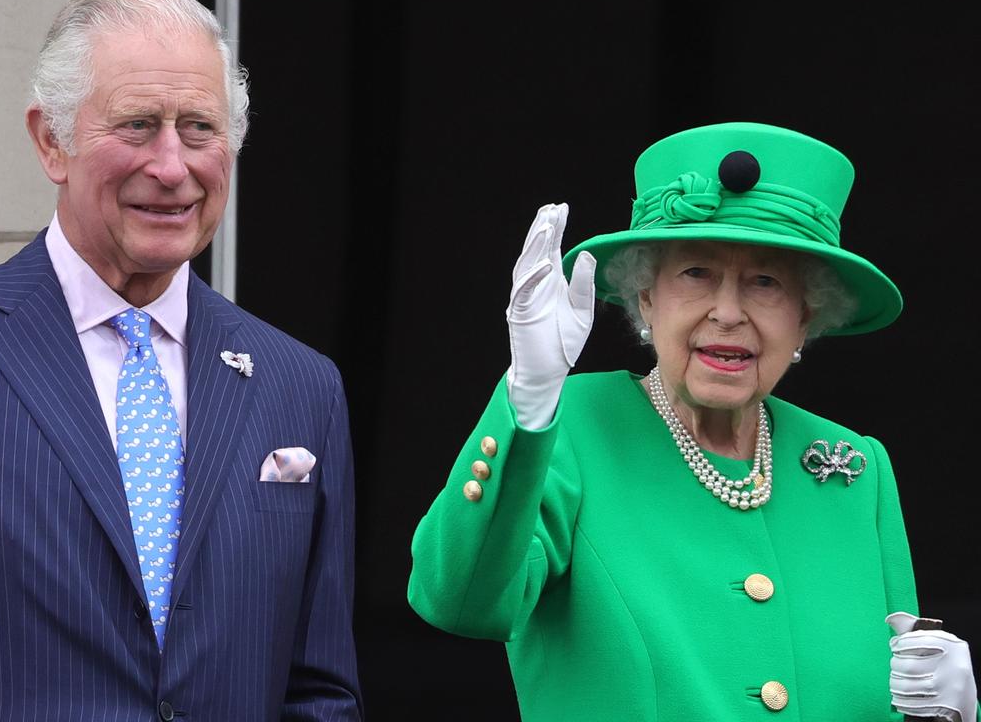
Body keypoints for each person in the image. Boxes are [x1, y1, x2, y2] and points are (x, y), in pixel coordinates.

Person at [407, 122, 977, 721]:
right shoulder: (567, 427)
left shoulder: (853, 467)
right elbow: (459, 601)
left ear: (806, 318)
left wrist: (952, 715)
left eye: (765, 281)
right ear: (646, 298)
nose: (728, 312)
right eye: (696, 273)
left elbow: (906, 693)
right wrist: (527, 399)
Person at [0, 0, 361, 720]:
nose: (173, 166)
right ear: (53, 140)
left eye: (199, 128)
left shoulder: (301, 386)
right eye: (139, 125)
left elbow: (318, 690)